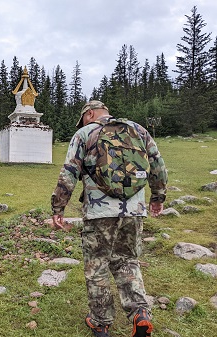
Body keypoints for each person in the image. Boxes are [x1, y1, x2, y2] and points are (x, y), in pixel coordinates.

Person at [51, 101, 167, 337]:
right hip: (134, 211)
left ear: (90, 113)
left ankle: (101, 323)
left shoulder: (84, 133)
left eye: (83, 118)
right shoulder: (139, 130)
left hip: (99, 212)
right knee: (127, 260)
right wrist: (158, 196)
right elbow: (158, 165)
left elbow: (69, 172)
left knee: (97, 266)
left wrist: (58, 207)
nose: (82, 122)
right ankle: (139, 313)